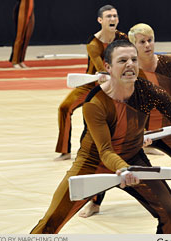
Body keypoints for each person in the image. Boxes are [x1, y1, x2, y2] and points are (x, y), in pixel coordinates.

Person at [30, 39, 171, 234]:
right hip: (93, 163)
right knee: (51, 223)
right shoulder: (95, 103)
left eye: (134, 59)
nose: (130, 64)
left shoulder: (150, 92)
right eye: (122, 60)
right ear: (108, 67)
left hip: (134, 159)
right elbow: (105, 151)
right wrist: (123, 168)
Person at [78, 23, 171, 218]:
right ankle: (94, 203)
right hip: (134, 132)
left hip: (167, 130)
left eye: (150, 40)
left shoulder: (169, 64)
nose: (147, 45)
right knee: (107, 161)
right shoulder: (125, 71)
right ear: (133, 45)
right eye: (142, 42)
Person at [54, 5, 127, 161]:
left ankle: (143, 143)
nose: (113, 19)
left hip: (115, 84)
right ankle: (64, 150)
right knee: (64, 108)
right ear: (100, 20)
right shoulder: (93, 44)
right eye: (109, 16)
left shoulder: (123, 38)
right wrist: (104, 74)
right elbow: (102, 70)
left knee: (139, 102)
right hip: (92, 84)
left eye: (115, 16)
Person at [9, 0, 34, 68]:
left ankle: (20, 60)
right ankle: (15, 60)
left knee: (26, 36)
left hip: (30, 8)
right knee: (20, 35)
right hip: (22, 7)